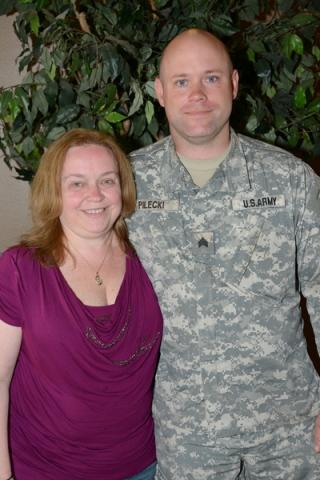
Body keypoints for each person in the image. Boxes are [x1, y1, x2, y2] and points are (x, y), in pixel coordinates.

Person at [128, 28, 320, 479]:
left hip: (288, 424)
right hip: (187, 430)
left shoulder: (290, 180)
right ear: (159, 91)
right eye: (181, 81)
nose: (197, 94)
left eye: (211, 78)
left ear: (234, 84)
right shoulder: (127, 185)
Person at [0, 128, 163, 480]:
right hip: (45, 469)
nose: (95, 195)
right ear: (54, 191)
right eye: (76, 183)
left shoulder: (153, 258)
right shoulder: (18, 269)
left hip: (144, 465)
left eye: (107, 180)